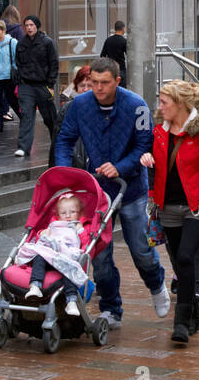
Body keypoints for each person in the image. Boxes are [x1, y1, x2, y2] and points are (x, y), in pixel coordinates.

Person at [53, 57, 169, 328]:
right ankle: (110, 308)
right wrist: (63, 173)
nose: (98, 88)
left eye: (105, 83)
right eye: (94, 82)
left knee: (140, 247)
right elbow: (65, 140)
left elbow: (144, 145)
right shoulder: (79, 106)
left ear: (117, 81)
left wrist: (119, 167)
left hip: (131, 189)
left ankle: (156, 284)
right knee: (99, 253)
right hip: (96, 192)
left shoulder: (136, 106)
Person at [141, 80, 199, 344]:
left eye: (164, 102)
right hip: (167, 206)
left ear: (180, 104)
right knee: (180, 260)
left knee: (185, 256)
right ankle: (192, 311)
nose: (160, 106)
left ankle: (180, 322)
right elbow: (149, 154)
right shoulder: (159, 132)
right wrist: (146, 158)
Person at [19, 191, 95, 316]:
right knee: (39, 256)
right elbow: (43, 242)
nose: (68, 216)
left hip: (66, 256)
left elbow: (85, 244)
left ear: (80, 213)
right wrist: (42, 234)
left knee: (69, 268)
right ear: (58, 215)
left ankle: (71, 301)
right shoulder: (54, 226)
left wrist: (80, 231)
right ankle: (35, 286)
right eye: (64, 213)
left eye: (73, 212)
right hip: (50, 255)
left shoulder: (79, 227)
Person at [13, 14, 58, 159]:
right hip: (26, 85)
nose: (29, 28)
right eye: (26, 25)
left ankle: (57, 143)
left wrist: (50, 84)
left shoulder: (47, 42)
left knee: (49, 117)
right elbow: (18, 62)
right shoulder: (21, 44)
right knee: (26, 115)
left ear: (37, 26)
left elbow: (53, 64)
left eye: (31, 25)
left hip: (42, 85)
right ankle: (23, 147)